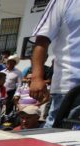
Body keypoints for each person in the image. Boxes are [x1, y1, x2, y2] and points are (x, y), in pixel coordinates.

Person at [30, 0, 80, 128]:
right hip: (69, 88)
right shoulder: (62, 1)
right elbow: (42, 40)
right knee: (57, 141)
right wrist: (36, 78)